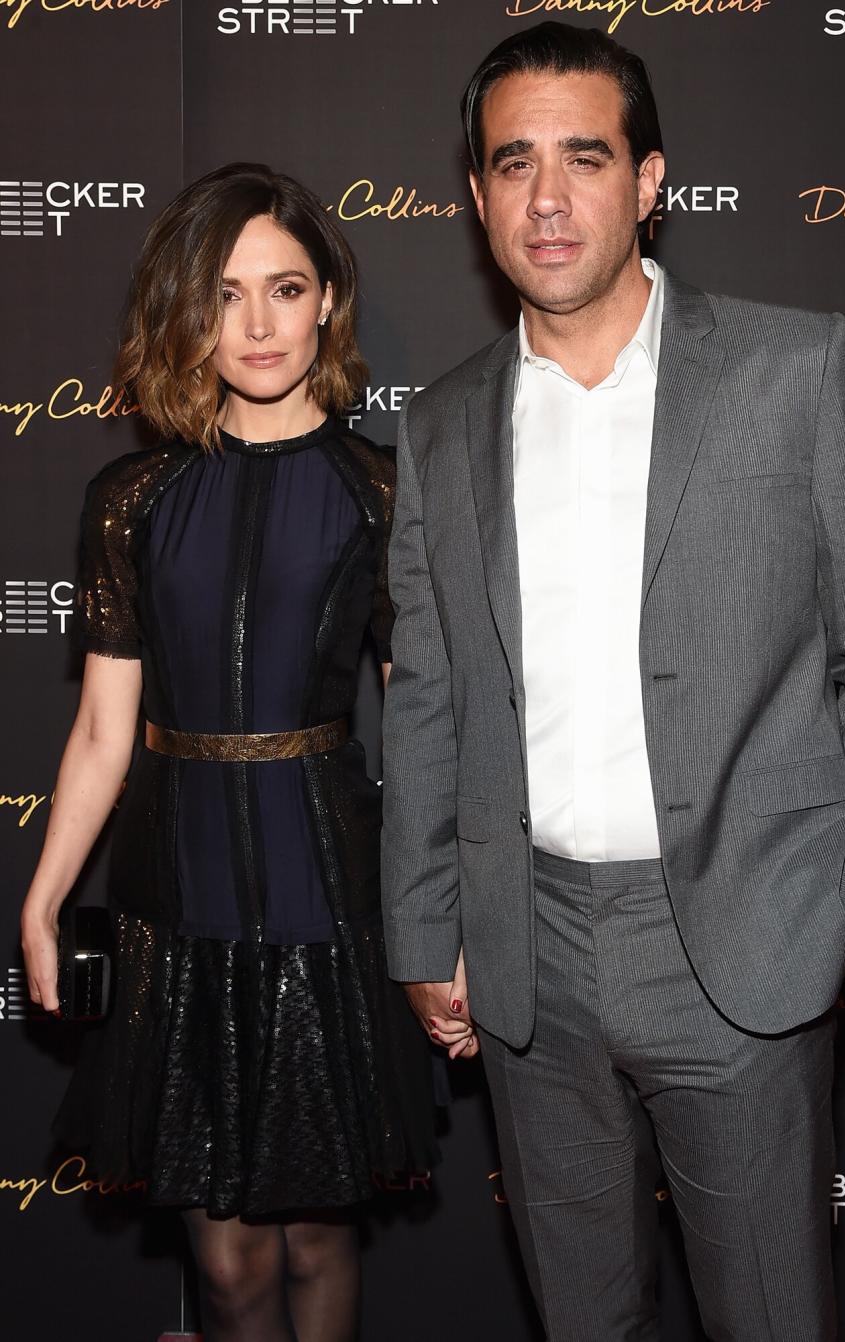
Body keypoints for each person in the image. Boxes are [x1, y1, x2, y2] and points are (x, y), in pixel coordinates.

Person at [381, 22, 845, 1342]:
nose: (550, 197)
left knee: (773, 1318)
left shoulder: (791, 369)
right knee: (585, 1321)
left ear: (652, 180)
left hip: (744, 937)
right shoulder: (442, 421)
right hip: (532, 957)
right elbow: (427, 688)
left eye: (586, 157)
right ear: (475, 197)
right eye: (514, 164)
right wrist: (423, 925)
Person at [20, 162, 435, 1342]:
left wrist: (439, 905)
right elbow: (105, 724)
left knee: (317, 1240)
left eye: (286, 288)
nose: (258, 324)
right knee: (233, 1262)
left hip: (330, 897)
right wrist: (45, 899)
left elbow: (420, 720)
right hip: (179, 903)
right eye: (227, 292)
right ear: (187, 312)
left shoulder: (382, 495)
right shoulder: (131, 500)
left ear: (326, 304)